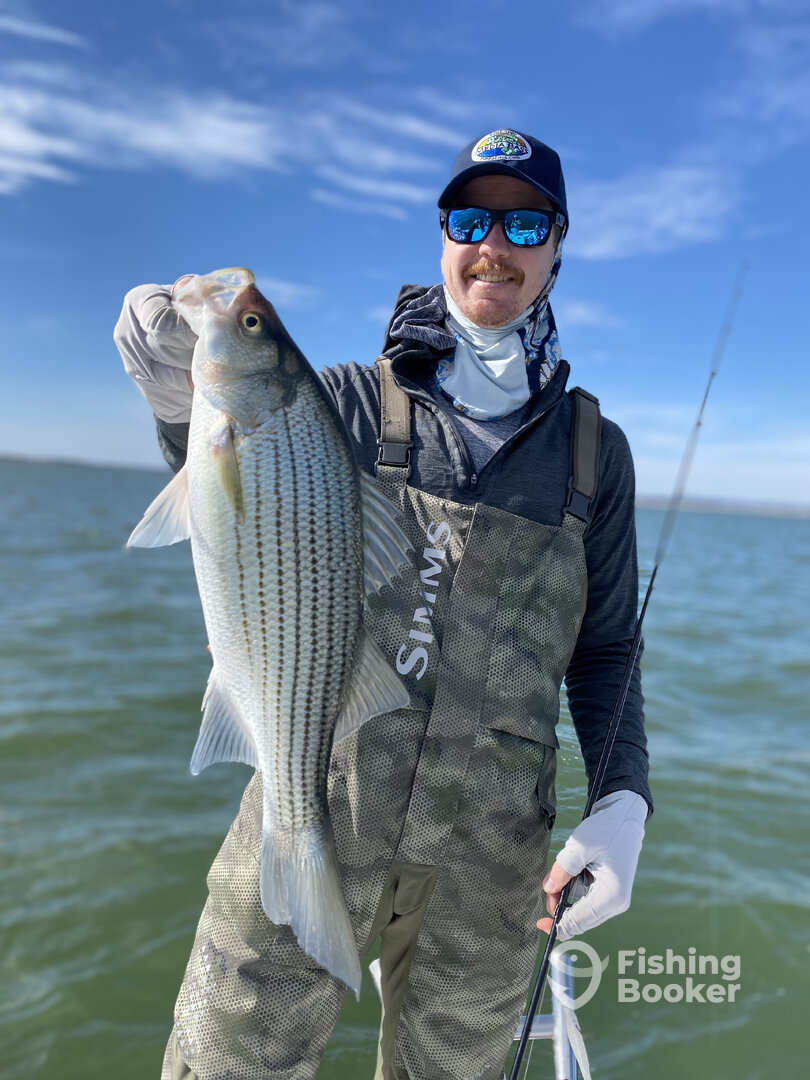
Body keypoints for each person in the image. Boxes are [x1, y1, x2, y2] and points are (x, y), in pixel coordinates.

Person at [115, 128, 651, 1080]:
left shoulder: (594, 455)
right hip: (317, 802)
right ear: (442, 237)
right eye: (470, 220)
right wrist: (174, 404)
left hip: (492, 866)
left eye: (526, 225)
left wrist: (623, 797)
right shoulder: (345, 403)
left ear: (558, 249)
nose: (494, 246)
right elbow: (235, 511)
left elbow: (606, 648)